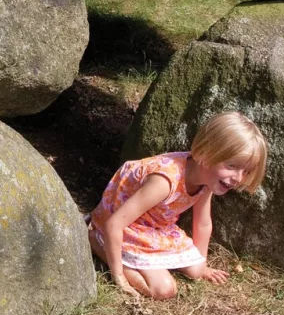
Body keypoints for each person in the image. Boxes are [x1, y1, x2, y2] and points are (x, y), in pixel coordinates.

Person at [88, 112, 268, 300]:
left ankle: (132, 257)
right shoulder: (164, 182)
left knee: (196, 270)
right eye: (231, 166)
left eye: (245, 171)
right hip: (125, 226)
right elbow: (114, 224)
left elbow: (203, 224)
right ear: (206, 153)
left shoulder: (207, 180)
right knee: (163, 290)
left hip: (156, 227)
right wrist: (119, 276)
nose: (238, 178)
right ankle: (96, 242)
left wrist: (201, 265)